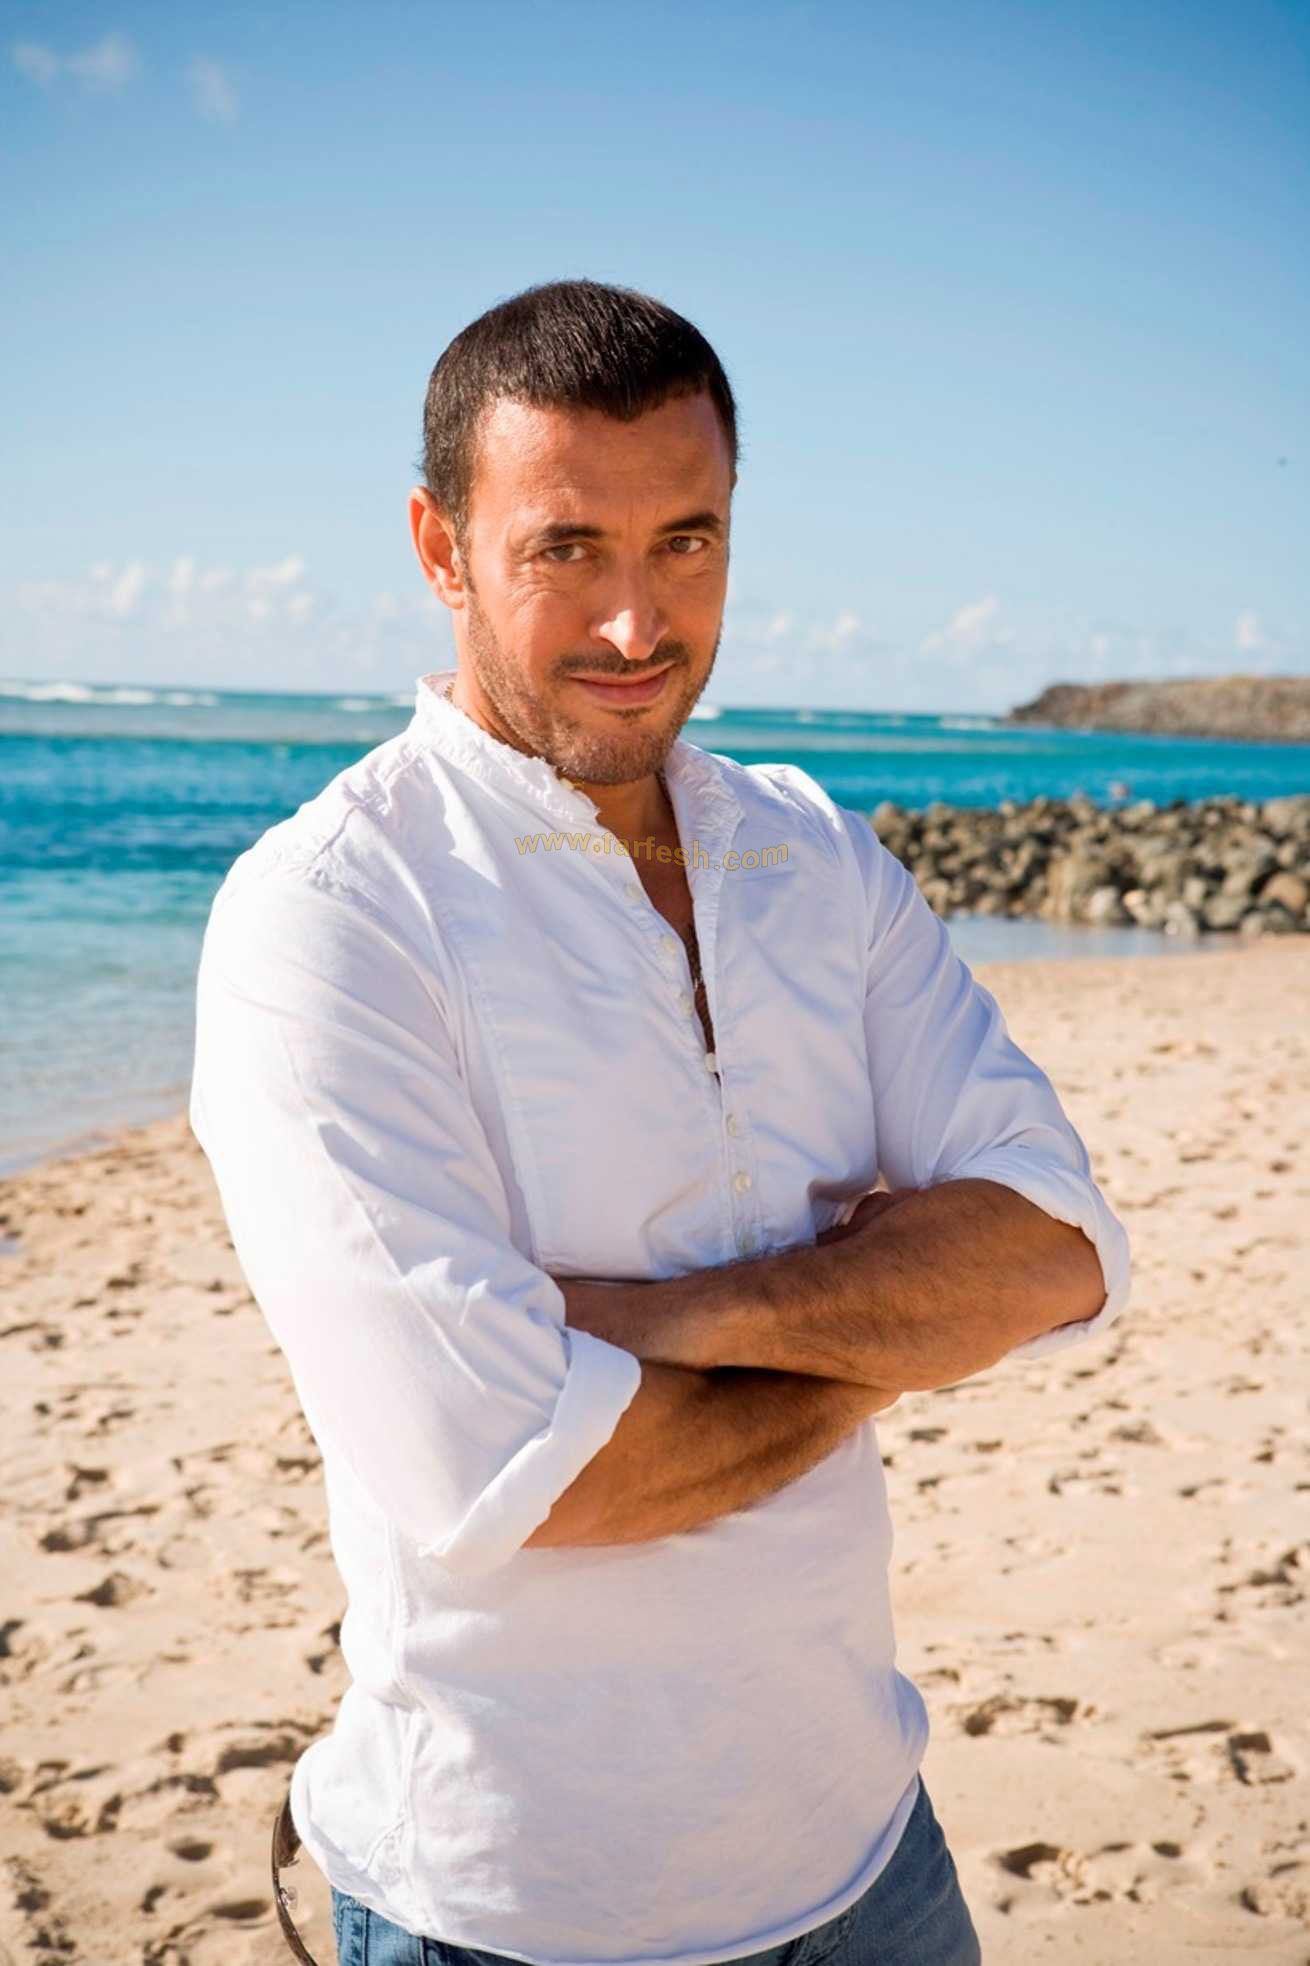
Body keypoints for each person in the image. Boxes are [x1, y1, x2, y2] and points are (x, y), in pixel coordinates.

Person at [190, 277, 1132, 1966]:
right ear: (440, 545)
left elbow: (1055, 1246)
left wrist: (663, 1322)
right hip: (512, 1907)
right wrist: (889, 1334)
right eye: (566, 548)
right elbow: (517, 1472)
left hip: (868, 1851)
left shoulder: (811, 852)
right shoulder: (330, 913)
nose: (636, 621)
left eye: (684, 542)